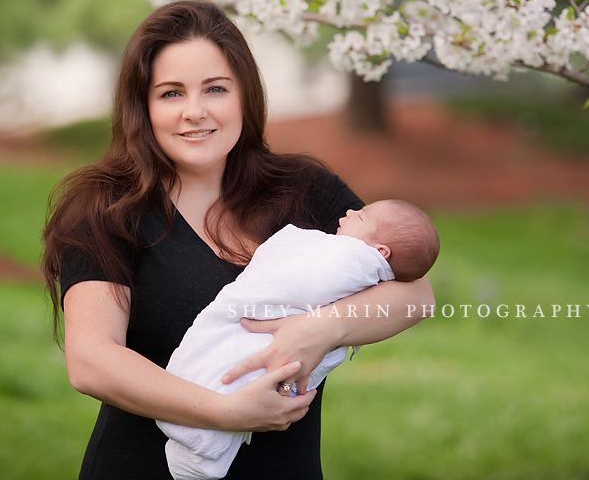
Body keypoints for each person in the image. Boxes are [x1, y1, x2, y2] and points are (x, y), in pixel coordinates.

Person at [41, 0, 435, 480]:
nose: (194, 111)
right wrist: (225, 413)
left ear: (244, 96)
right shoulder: (105, 210)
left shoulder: (306, 192)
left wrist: (320, 330)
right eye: (170, 93)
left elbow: (415, 295)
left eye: (215, 89)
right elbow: (91, 361)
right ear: (142, 106)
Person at [158, 199, 439, 480]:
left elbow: (420, 298)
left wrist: (323, 326)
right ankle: (206, 436)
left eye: (361, 215)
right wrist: (223, 411)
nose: (351, 211)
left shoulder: (355, 257)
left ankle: (205, 443)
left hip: (283, 464)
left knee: (244, 370)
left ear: (380, 252)